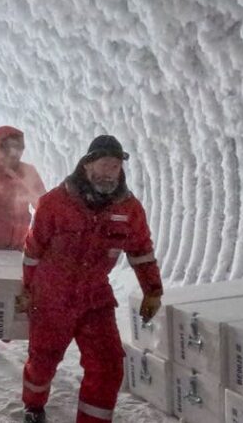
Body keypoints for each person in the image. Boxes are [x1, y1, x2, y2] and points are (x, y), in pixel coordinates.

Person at [16, 135, 163, 423]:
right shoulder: (55, 203)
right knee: (43, 360)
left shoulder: (128, 209)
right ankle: (33, 405)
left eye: (116, 167)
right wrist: (27, 289)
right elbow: (33, 251)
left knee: (108, 365)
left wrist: (153, 291)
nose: (110, 173)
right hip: (52, 297)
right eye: (104, 165)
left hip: (95, 298)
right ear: (86, 165)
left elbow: (141, 252)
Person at [0, 125, 47, 361]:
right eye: (9, 147)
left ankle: (23, 336)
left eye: (18, 146)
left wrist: (44, 233)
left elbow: (42, 204)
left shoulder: (28, 173)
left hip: (20, 242)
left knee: (23, 290)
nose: (15, 153)